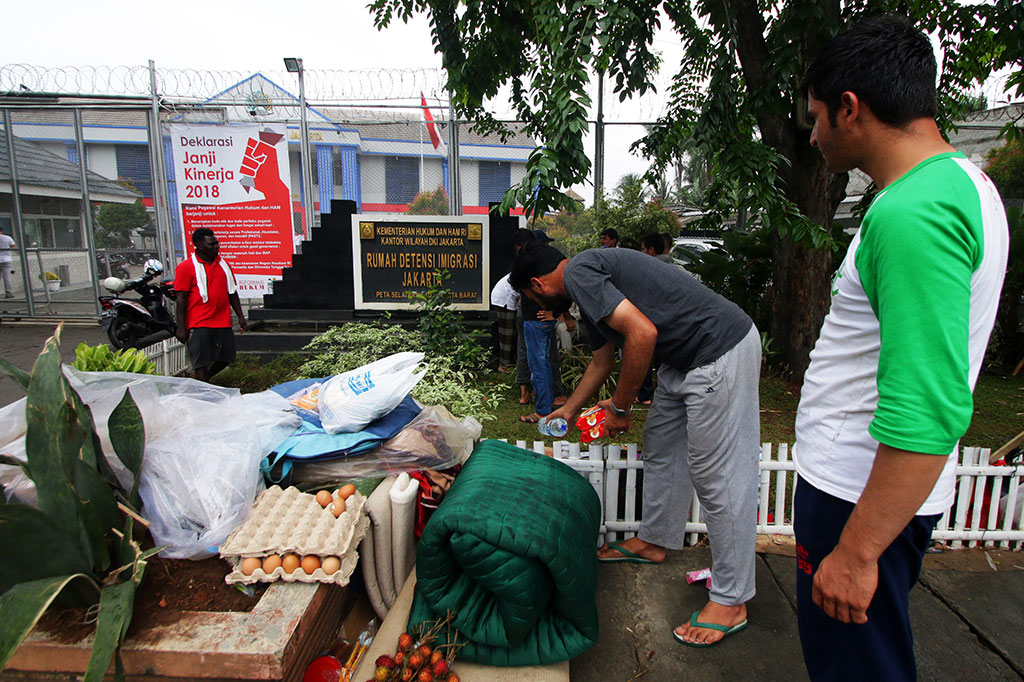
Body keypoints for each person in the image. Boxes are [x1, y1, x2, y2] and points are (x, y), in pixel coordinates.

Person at [794, 16, 1008, 681]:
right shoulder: (961, 186)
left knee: (858, 670)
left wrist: (857, 552)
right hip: (872, 489)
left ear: (851, 110)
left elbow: (927, 404)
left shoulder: (915, 211)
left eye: (818, 117)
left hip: (856, 496)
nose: (814, 134)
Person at [510, 242, 761, 647]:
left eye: (530, 297)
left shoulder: (580, 273)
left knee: (718, 476)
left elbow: (643, 334)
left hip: (719, 349)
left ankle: (732, 599)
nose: (536, 303)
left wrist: (621, 407)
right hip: (683, 361)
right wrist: (568, 411)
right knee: (661, 446)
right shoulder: (585, 292)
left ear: (538, 284)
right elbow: (602, 363)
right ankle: (655, 540)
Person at [174, 228, 248, 382]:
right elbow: (181, 300)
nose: (216, 247)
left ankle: (201, 382)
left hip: (222, 321)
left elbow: (232, 293)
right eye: (211, 244)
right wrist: (181, 328)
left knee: (227, 356)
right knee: (200, 362)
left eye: (217, 243)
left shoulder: (223, 265)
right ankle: (205, 390)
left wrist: (241, 317)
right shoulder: (186, 267)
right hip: (199, 322)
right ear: (199, 246)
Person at [519, 229, 569, 423]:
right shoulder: (545, 268)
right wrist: (555, 314)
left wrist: (554, 314)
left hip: (536, 323)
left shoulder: (533, 268)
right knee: (545, 364)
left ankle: (542, 410)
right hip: (542, 322)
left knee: (539, 367)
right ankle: (549, 402)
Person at [0, 225, 16, 298]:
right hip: (6, 259)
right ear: (1, 231)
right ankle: (8, 292)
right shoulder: (7, 237)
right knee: (7, 277)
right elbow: (13, 246)